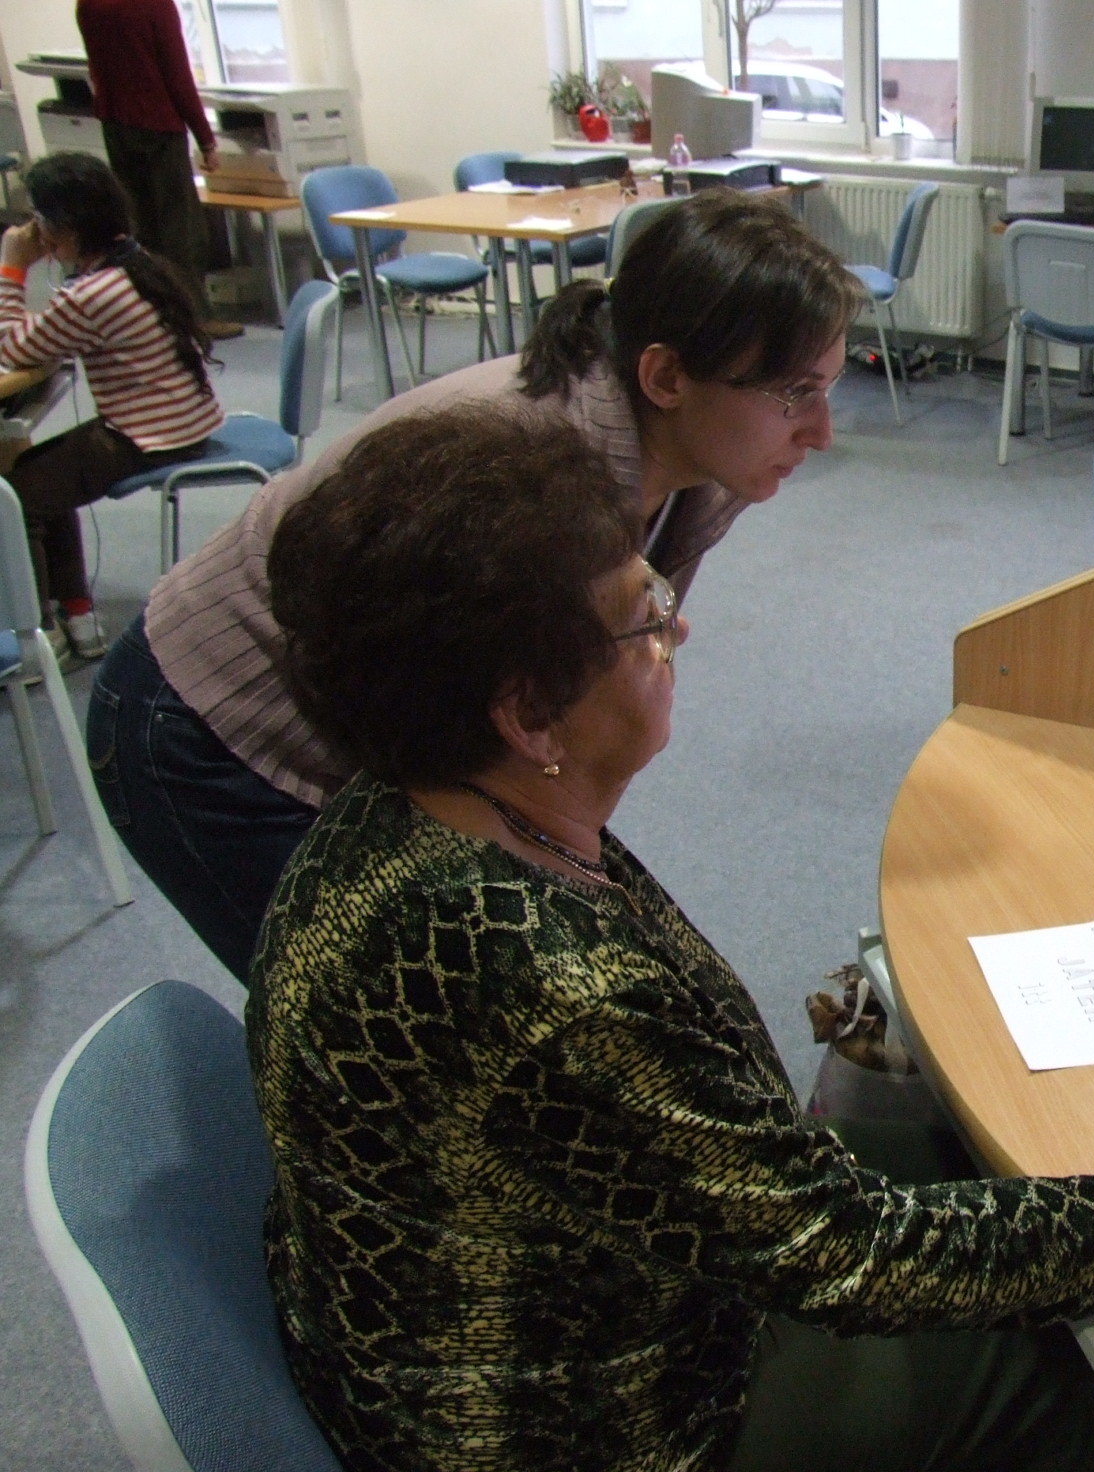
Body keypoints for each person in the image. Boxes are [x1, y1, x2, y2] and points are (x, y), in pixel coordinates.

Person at [249, 402, 1094, 1472]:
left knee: (948, 1150)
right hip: (567, 1463)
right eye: (642, 617)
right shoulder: (549, 982)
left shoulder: (398, 808)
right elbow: (848, 1257)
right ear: (528, 718)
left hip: (492, 1315)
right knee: (982, 1356)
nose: (675, 633)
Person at [88, 188, 853, 982]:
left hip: (374, 718)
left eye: (829, 387)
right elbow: (463, 740)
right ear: (665, 375)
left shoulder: (706, 460)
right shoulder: (533, 474)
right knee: (365, 1005)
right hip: (209, 720)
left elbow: (582, 710)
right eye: (794, 393)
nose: (823, 432)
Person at [1, 152, 223, 661]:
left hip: (148, 438)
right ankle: (79, 616)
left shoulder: (92, 294)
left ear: (66, 227)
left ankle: (38, 638)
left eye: (39, 218)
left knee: (16, 500)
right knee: (39, 472)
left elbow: (13, 348)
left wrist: (12, 267)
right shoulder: (136, 262)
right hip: (181, 422)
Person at [75, 0, 242, 338]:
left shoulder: (88, 4)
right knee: (182, 229)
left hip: (116, 125)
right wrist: (206, 140)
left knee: (139, 226)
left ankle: (155, 313)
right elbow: (178, 77)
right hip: (159, 125)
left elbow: (97, 69)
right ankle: (195, 316)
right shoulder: (155, 5)